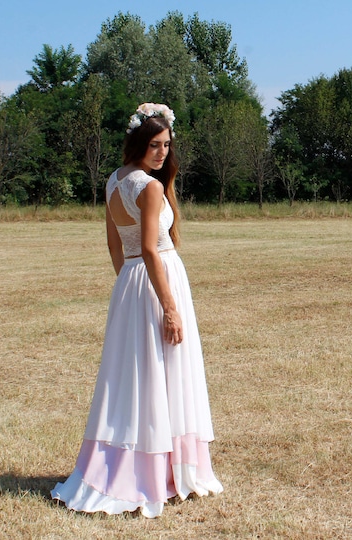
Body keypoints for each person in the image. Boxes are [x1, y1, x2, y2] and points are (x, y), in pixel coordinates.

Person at [51, 103, 223, 518]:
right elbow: (149, 248)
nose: (162, 152)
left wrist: (128, 285)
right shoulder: (148, 187)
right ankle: (155, 473)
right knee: (158, 375)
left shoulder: (113, 182)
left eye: (166, 145)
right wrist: (169, 307)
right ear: (137, 143)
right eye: (153, 145)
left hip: (130, 283)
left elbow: (117, 247)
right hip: (157, 278)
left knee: (135, 377)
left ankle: (140, 466)